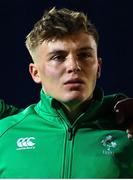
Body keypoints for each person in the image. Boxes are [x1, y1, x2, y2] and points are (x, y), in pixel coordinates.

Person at [0, 7, 133, 178]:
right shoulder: (5, 134)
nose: (74, 66)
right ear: (35, 73)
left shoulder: (127, 133)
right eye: (58, 57)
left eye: (84, 55)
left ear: (98, 67)